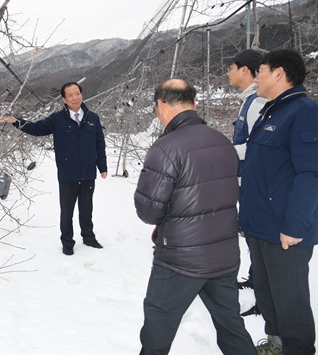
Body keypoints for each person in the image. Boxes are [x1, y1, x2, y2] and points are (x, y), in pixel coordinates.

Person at [134, 79, 255, 355]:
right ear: (195, 104)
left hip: (180, 261)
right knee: (231, 327)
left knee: (157, 331)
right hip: (223, 256)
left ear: (161, 105)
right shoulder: (222, 141)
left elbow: (148, 210)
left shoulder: (165, 148)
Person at [238, 49, 318, 355]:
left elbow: (311, 174)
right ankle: (275, 346)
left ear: (279, 73)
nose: (255, 77)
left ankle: (297, 350)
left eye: (260, 71)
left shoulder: (304, 112)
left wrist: (295, 226)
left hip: (285, 231)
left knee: (291, 304)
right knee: (268, 296)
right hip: (261, 225)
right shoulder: (272, 111)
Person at [0, 82, 108, 256]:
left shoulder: (92, 118)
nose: (75, 97)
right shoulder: (57, 119)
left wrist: (102, 166)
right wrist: (17, 121)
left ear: (81, 94)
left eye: (77, 93)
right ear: (64, 100)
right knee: (67, 211)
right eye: (70, 95)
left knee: (87, 208)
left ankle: (88, 237)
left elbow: (99, 144)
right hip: (67, 174)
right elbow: (36, 128)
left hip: (88, 173)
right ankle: (67, 243)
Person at [226, 48, 265, 316]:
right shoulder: (248, 100)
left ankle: (265, 299)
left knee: (257, 235)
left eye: (231, 67)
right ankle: (255, 278)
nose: (228, 72)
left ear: (244, 70)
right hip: (246, 176)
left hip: (254, 179)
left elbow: (257, 146)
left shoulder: (257, 102)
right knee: (251, 234)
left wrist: (226, 152)